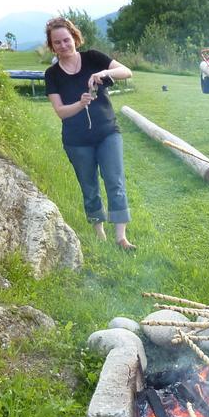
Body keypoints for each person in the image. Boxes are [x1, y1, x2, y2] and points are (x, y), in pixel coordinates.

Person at [43, 17, 135, 249]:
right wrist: (80, 103)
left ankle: (121, 237)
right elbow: (61, 112)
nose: (63, 45)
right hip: (76, 141)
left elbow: (127, 72)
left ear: (75, 38)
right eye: (57, 42)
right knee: (89, 186)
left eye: (66, 40)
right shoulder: (51, 74)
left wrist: (104, 73)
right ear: (52, 46)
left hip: (107, 133)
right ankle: (99, 233)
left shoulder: (93, 57)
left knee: (115, 181)